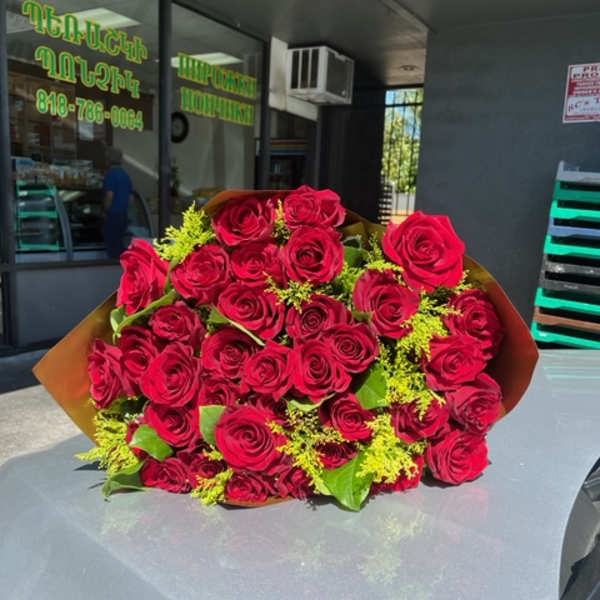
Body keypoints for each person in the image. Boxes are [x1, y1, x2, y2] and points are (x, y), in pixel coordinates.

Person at [103, 147, 132, 258]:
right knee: (119, 246)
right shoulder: (126, 175)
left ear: (108, 160)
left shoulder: (110, 175)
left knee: (112, 248)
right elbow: (130, 198)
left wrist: (105, 211)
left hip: (113, 215)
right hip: (123, 215)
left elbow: (109, 196)